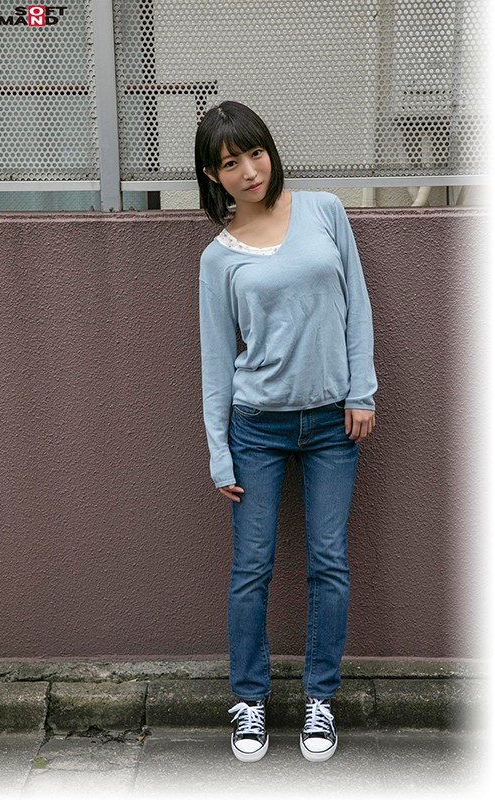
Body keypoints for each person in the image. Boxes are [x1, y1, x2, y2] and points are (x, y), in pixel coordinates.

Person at [194, 100, 377, 763]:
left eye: (255, 153)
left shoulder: (324, 211)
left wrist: (361, 391)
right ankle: (249, 701)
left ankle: (319, 699)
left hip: (332, 423)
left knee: (329, 562)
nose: (249, 171)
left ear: (270, 151)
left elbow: (356, 304)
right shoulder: (218, 258)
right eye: (230, 163)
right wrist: (219, 452)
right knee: (252, 567)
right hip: (257, 429)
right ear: (212, 176)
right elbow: (217, 359)